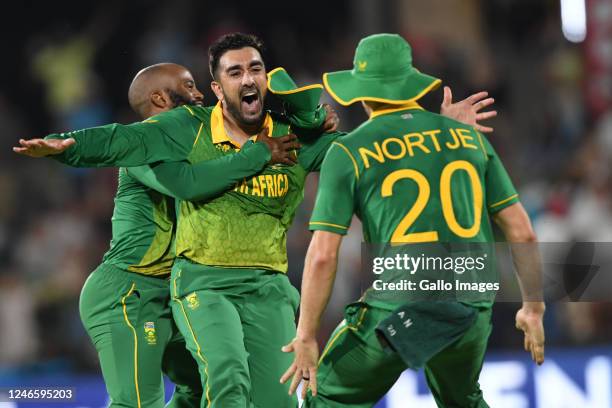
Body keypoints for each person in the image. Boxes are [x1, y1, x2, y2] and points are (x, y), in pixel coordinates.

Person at [14, 33, 498, 408]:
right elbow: (145, 156)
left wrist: (438, 128)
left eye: (256, 70)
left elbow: (363, 152)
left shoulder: (290, 136)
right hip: (160, 287)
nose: (245, 80)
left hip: (263, 285)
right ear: (217, 85)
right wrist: (68, 145)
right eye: (231, 73)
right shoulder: (175, 132)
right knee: (216, 381)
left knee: (259, 396)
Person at [281, 33, 545, 408]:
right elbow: (523, 232)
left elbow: (323, 255)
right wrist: (532, 308)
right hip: (472, 306)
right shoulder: (470, 139)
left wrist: (306, 334)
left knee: (324, 398)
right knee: (464, 400)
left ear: (360, 90)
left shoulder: (349, 150)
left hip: (400, 306)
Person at [14, 62, 299, 408]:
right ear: (160, 98)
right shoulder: (143, 150)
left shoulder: (200, 144)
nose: (199, 95)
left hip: (177, 290)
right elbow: (190, 184)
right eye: (190, 86)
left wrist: (312, 126)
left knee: (207, 385)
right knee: (137, 404)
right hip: (130, 293)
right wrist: (258, 155)